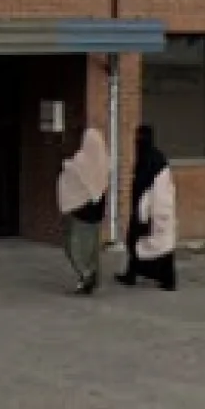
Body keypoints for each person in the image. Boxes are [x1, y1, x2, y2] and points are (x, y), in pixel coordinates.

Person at [53, 122, 116, 291]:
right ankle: (92, 274)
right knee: (92, 247)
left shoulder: (80, 161)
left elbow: (68, 169)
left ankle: (85, 275)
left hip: (79, 211)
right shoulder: (105, 161)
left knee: (74, 245)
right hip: (96, 211)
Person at [119, 130, 183, 291]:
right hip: (146, 208)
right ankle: (134, 273)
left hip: (152, 209)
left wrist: (148, 212)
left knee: (158, 244)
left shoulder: (153, 160)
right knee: (138, 241)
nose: (137, 142)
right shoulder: (151, 157)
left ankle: (166, 279)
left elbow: (155, 188)